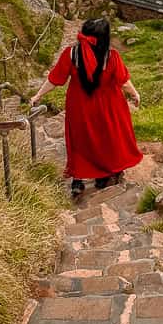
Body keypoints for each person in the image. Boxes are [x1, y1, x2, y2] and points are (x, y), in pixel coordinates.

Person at [30, 17, 142, 198]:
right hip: (108, 105)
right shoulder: (111, 56)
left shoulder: (71, 54)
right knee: (106, 137)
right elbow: (124, 82)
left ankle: (78, 179)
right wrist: (135, 94)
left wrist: (38, 95)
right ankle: (103, 175)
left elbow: (55, 79)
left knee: (80, 139)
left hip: (79, 104)